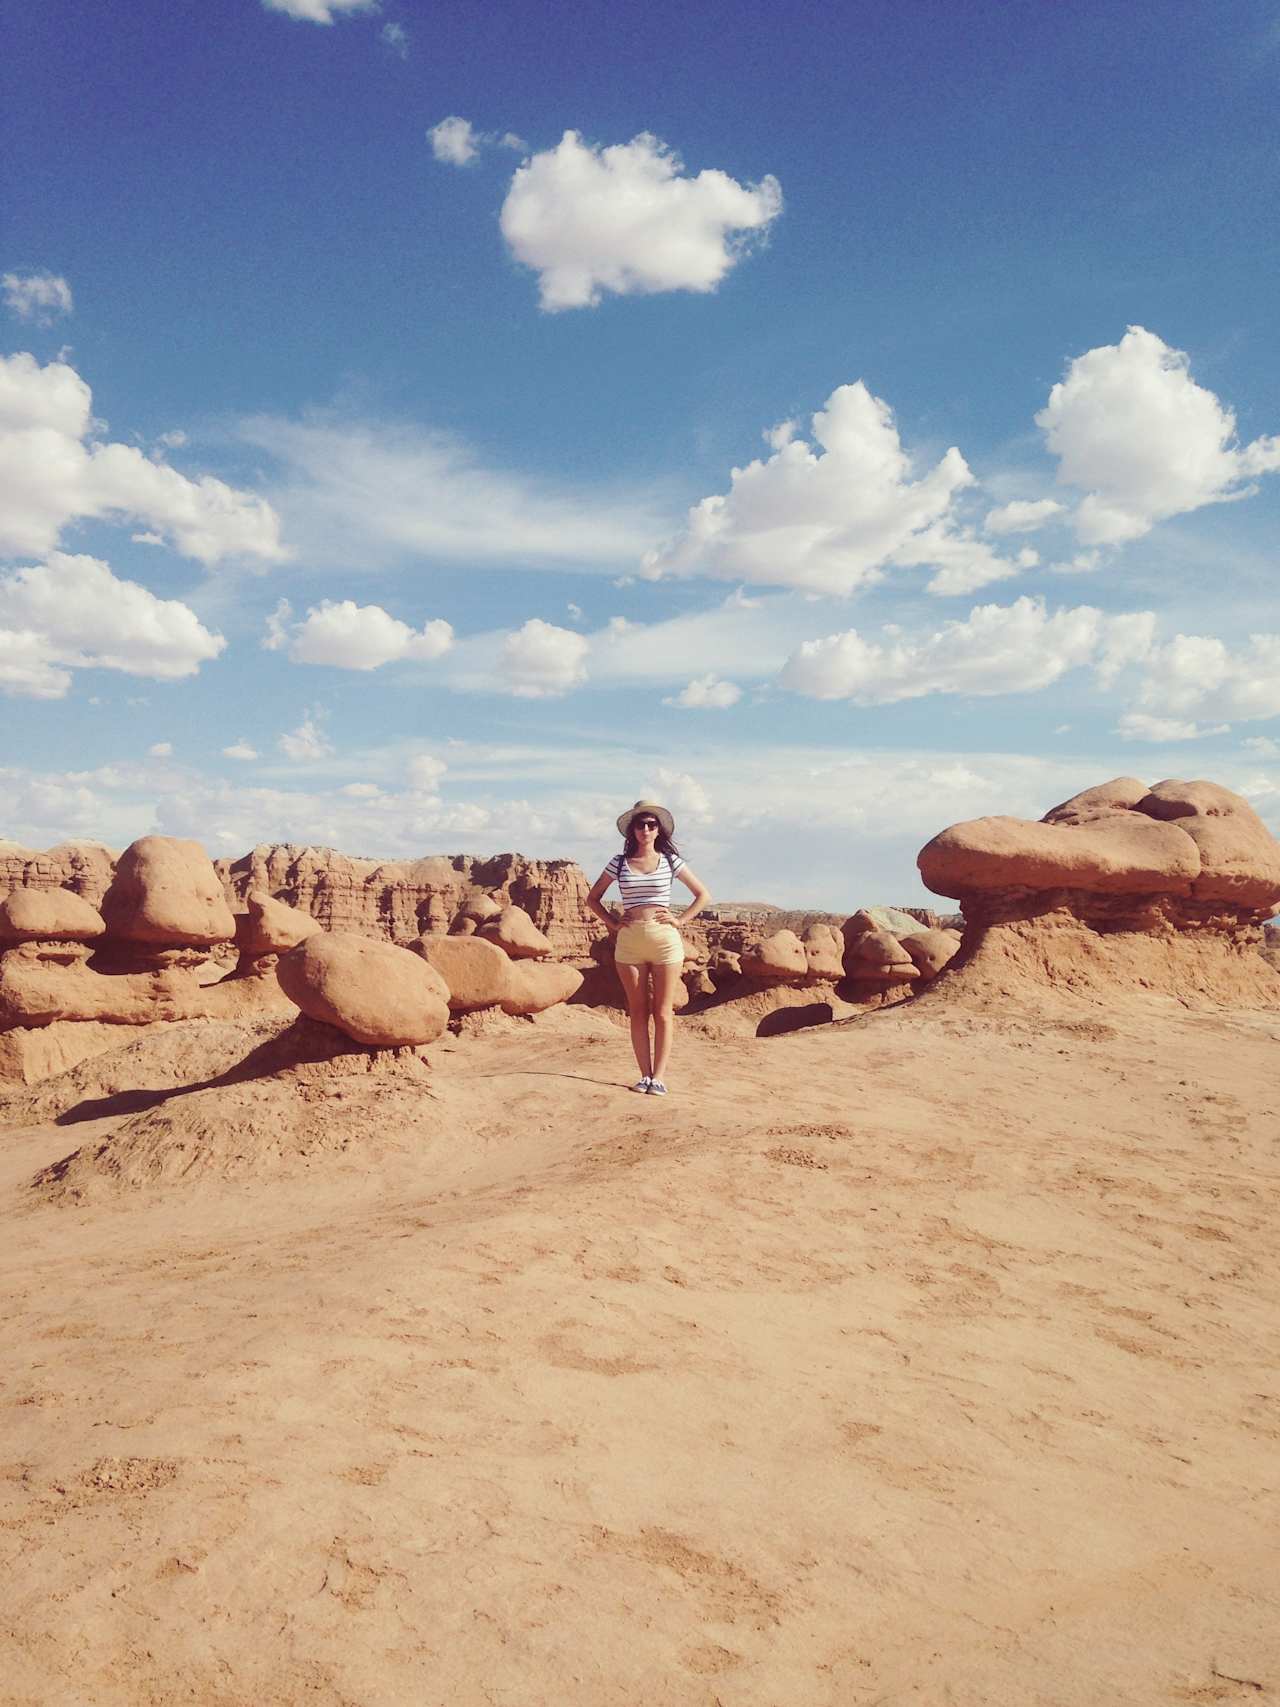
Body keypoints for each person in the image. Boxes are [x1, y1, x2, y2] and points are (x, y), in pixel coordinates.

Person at [584, 799, 710, 1096]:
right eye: (640, 824)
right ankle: (644, 1075)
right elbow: (593, 898)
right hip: (630, 943)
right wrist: (613, 923)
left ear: (659, 830)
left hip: (665, 941)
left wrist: (680, 921)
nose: (645, 829)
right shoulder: (618, 862)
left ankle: (660, 1077)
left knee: (663, 1012)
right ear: (632, 830)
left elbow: (702, 895)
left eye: (651, 824)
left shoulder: (669, 861)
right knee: (638, 1011)